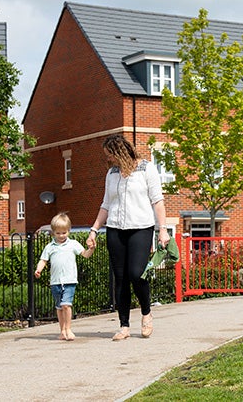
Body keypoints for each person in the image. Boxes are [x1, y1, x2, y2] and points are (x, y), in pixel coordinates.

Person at [87, 134, 170, 341]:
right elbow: (106, 204)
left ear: (119, 152)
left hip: (141, 228)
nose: (108, 159)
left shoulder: (146, 169)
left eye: (109, 155)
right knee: (120, 278)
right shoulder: (112, 173)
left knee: (136, 273)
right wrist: (94, 230)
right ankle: (124, 325)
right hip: (115, 228)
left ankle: (146, 313)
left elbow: (157, 201)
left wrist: (163, 229)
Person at [35, 212, 95, 341]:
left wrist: (91, 249)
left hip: (69, 280)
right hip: (55, 282)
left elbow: (85, 254)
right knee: (59, 307)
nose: (61, 236)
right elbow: (43, 260)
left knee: (66, 305)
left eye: (64, 233)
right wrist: (38, 270)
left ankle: (68, 329)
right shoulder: (50, 247)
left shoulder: (73, 244)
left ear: (69, 231)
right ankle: (62, 330)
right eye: (58, 233)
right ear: (53, 232)